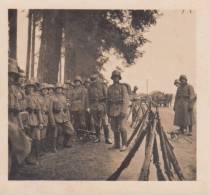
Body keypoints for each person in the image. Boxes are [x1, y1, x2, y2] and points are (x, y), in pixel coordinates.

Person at [8, 59, 31, 176]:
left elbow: (17, 108)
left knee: (15, 145)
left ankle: (14, 169)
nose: (11, 78)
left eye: (13, 76)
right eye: (9, 75)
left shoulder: (13, 89)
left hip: (14, 119)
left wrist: (20, 124)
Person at [107, 70, 129, 151]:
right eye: (114, 77)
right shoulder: (109, 88)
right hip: (112, 110)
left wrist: (124, 111)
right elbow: (107, 101)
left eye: (117, 77)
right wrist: (107, 112)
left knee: (122, 128)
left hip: (120, 110)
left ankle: (124, 144)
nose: (115, 78)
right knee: (114, 128)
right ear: (112, 78)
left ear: (119, 78)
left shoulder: (123, 87)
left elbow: (126, 100)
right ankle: (117, 144)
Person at [88, 74, 112, 144]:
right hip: (93, 106)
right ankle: (97, 137)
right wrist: (90, 107)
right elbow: (88, 98)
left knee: (105, 122)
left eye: (95, 79)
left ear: (98, 79)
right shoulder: (90, 87)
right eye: (92, 80)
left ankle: (107, 138)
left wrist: (105, 106)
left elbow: (107, 97)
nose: (93, 81)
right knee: (96, 123)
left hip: (102, 105)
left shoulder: (102, 85)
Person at [24, 79, 43, 165]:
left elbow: (39, 110)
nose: (30, 89)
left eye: (32, 87)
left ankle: (37, 156)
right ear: (26, 88)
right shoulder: (24, 97)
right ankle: (28, 157)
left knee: (37, 138)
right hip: (27, 119)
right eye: (29, 87)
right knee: (29, 138)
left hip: (35, 119)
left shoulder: (36, 98)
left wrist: (41, 121)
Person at [70, 76, 88, 140]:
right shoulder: (73, 90)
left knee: (82, 122)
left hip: (80, 107)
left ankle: (83, 135)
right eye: (76, 82)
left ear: (80, 82)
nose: (77, 83)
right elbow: (71, 99)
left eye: (78, 82)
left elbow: (83, 100)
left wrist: (82, 108)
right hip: (74, 108)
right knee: (76, 122)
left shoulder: (83, 90)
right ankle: (78, 135)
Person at [39, 83, 51, 154]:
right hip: (40, 116)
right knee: (40, 133)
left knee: (44, 133)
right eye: (43, 90)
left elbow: (49, 108)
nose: (45, 91)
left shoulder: (48, 98)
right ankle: (39, 149)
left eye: (46, 89)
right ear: (41, 90)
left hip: (46, 116)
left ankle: (43, 147)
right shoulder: (39, 98)